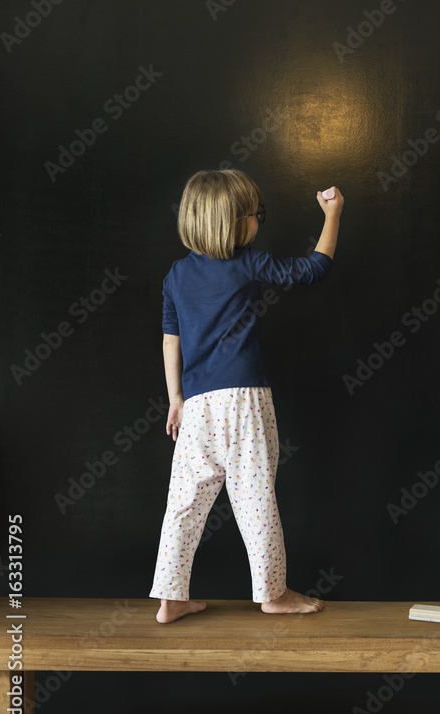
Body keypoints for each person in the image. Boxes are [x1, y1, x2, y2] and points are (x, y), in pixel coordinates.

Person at [149, 169, 343, 623]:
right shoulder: (246, 262)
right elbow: (314, 269)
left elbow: (169, 342)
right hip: (244, 402)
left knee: (184, 504)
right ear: (234, 223)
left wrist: (175, 399)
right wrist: (333, 215)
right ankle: (272, 593)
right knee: (255, 499)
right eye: (257, 214)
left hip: (195, 408)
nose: (261, 221)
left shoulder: (175, 275)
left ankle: (171, 597)